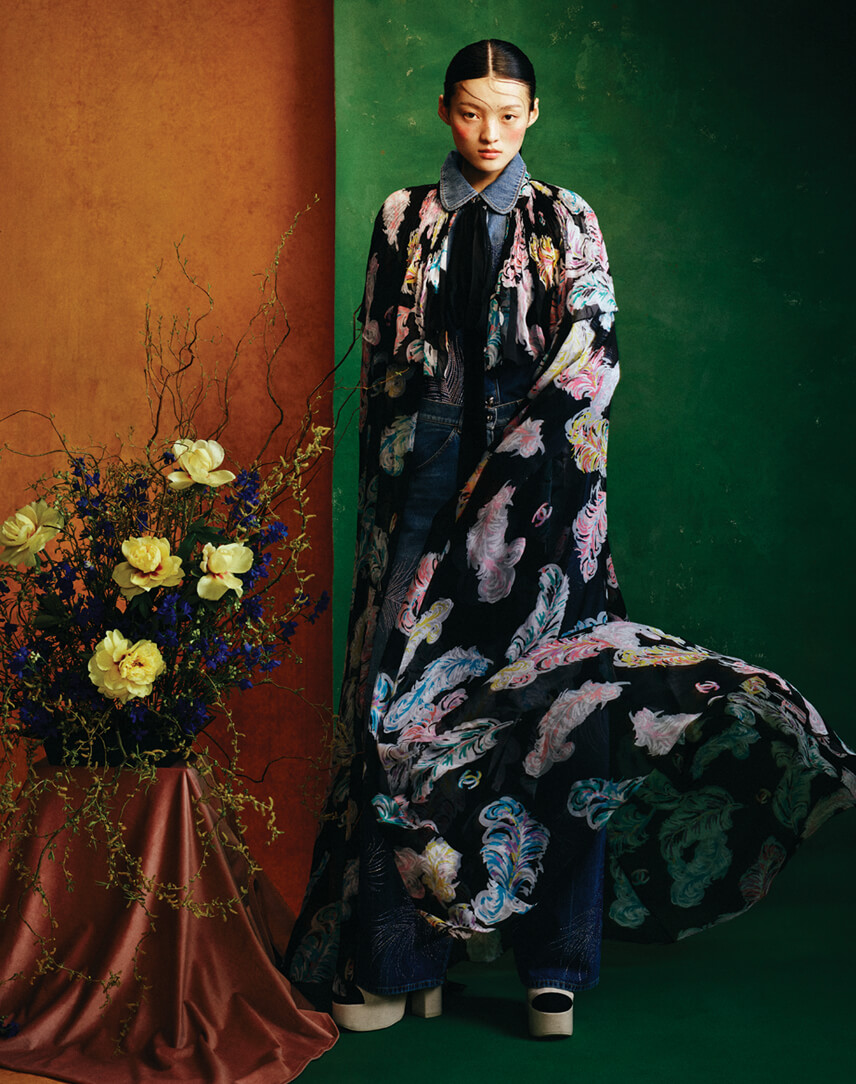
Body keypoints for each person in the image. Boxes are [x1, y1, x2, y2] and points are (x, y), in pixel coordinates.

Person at [284, 40, 856, 1038]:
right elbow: (380, 362)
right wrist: (390, 504)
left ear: (535, 114)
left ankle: (555, 964)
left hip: (543, 489)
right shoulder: (401, 216)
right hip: (420, 488)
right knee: (393, 714)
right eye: (471, 111)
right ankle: (399, 957)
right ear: (443, 110)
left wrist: (515, 470)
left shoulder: (566, 218)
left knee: (568, 709)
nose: (489, 132)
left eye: (508, 113)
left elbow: (595, 357)